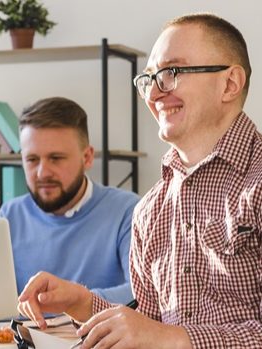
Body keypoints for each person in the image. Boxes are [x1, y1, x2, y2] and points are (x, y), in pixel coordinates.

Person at [17, 13, 261, 349]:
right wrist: (81, 302)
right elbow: (148, 329)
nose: (155, 94)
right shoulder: (150, 209)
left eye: (172, 72)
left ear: (230, 84)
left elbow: (162, 337)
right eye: (149, 79)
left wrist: (173, 338)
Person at [0, 97, 140, 304]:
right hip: (19, 335)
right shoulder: (10, 215)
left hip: (92, 335)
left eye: (56, 158)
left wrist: (77, 301)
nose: (42, 173)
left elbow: (144, 292)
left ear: (87, 158)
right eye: (32, 159)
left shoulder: (128, 211)